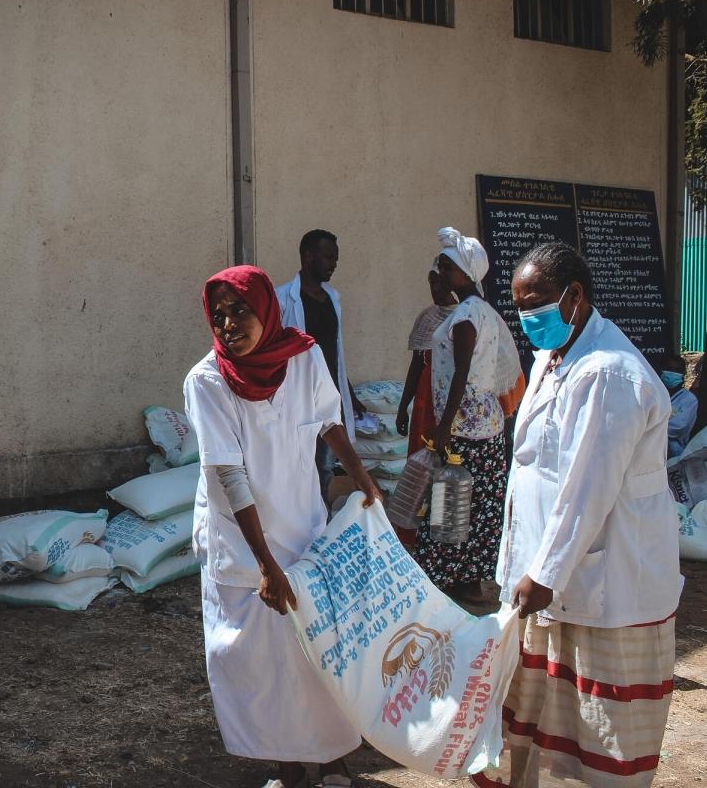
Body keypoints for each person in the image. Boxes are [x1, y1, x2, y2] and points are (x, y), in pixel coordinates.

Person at [475, 242, 681, 788]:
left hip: (604, 583)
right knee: (531, 718)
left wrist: (546, 572)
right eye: (519, 305)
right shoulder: (553, 357)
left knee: (597, 742)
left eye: (537, 303)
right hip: (549, 576)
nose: (527, 318)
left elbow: (586, 490)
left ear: (575, 297)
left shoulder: (609, 374)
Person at [185, 265, 382, 788]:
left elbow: (328, 420)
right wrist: (268, 567)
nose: (229, 324)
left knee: (321, 650)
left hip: (304, 531)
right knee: (267, 663)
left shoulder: (303, 356)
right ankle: (290, 768)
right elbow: (228, 474)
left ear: (267, 309)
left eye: (241, 310)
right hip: (245, 547)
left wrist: (364, 479)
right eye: (219, 315)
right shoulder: (207, 380)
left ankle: (336, 760)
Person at [415, 227, 522, 603]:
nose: (440, 273)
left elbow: (461, 372)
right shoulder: (484, 313)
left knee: (452, 502)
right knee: (477, 505)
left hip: (464, 430)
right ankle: (468, 579)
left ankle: (451, 579)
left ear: (465, 274)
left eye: (447, 267)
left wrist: (444, 428)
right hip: (486, 428)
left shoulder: (465, 317)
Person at [275, 230, 368, 484]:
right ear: (308, 256)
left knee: (324, 467)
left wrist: (347, 392)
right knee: (296, 466)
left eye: (335, 259)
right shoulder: (281, 299)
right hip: (298, 397)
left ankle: (322, 522)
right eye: (329, 258)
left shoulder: (333, 298)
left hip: (329, 397)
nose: (334, 264)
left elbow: (334, 349)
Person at [395, 266, 457, 454]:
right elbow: (417, 364)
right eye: (433, 284)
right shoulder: (427, 318)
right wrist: (403, 405)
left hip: (454, 399)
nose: (435, 290)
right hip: (426, 396)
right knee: (424, 455)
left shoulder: (466, 317)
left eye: (441, 284)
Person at [662, 354, 696, 457]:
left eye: (677, 370)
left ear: (683, 374)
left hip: (674, 451)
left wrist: (652, 426)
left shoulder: (689, 399)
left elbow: (678, 427)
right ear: (662, 370)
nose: (672, 373)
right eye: (669, 369)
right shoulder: (654, 394)